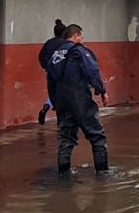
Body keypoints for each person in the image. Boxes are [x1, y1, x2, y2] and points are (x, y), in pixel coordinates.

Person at [47, 24, 109, 175]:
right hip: (79, 98)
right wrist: (102, 91)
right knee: (97, 136)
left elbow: (50, 81)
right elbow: (92, 71)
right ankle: (103, 174)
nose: (82, 39)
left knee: (66, 139)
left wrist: (55, 102)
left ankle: (64, 174)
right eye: (81, 36)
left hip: (62, 101)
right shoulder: (79, 51)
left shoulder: (55, 55)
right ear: (75, 36)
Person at [37, 19, 67, 124]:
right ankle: (60, 120)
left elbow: (41, 56)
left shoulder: (49, 43)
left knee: (53, 92)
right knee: (62, 95)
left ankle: (47, 106)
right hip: (63, 73)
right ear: (64, 32)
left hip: (50, 72)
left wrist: (46, 67)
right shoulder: (66, 44)